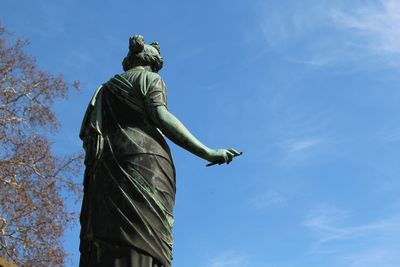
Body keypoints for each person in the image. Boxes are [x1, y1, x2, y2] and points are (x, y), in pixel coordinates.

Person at [78, 35, 240, 267]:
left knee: (114, 230)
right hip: (146, 162)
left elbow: (91, 137)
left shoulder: (103, 90)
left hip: (108, 166)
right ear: (153, 63)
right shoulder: (151, 79)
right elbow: (161, 116)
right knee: (148, 233)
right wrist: (208, 151)